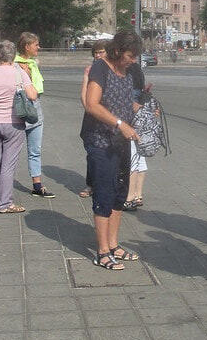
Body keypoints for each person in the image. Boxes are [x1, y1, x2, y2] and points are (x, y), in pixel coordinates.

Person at [81, 31, 142, 270]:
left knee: (119, 194)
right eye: (130, 55)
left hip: (122, 142)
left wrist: (143, 106)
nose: (133, 60)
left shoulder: (129, 70)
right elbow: (91, 104)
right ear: (117, 51)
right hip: (101, 142)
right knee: (104, 194)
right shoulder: (100, 67)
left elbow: (127, 101)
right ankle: (102, 251)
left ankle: (114, 245)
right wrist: (119, 123)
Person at [0, 40, 38, 213]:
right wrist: (28, 78)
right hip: (14, 124)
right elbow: (33, 95)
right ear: (13, 56)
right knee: (7, 166)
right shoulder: (19, 73)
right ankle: (5, 204)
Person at [15, 32, 55, 198]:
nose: (39, 47)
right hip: (18, 110)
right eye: (36, 44)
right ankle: (1, 184)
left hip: (35, 108)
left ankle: (37, 185)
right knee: (11, 151)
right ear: (27, 46)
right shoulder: (14, 64)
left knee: (35, 149)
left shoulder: (32, 63)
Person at [79, 40, 109, 197]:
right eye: (96, 53)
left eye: (101, 52)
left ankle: (104, 183)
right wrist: (85, 77)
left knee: (107, 154)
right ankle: (91, 185)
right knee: (92, 153)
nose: (98, 55)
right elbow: (84, 98)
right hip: (91, 119)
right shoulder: (90, 71)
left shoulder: (112, 70)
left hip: (107, 118)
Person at [123, 62, 150, 211]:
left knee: (133, 156)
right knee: (140, 157)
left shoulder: (127, 70)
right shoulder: (137, 68)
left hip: (132, 122)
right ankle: (138, 194)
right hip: (141, 121)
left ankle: (129, 198)